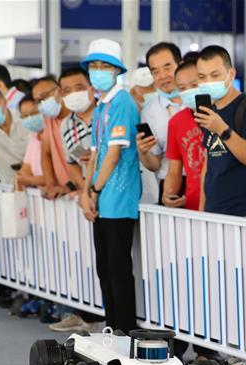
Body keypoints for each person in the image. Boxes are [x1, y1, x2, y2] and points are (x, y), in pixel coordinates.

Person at [79, 39, 141, 333]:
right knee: (104, 267)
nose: (98, 71)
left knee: (118, 269)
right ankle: (111, 326)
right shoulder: (101, 105)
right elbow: (94, 153)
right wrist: (85, 192)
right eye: (93, 66)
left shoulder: (123, 102)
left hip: (118, 197)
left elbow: (114, 153)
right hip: (101, 198)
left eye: (104, 66)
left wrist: (95, 190)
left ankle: (125, 330)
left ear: (117, 70)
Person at [195, 45, 246, 219]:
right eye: (202, 77)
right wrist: (202, 209)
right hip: (213, 211)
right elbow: (209, 164)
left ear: (231, 74)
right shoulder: (209, 110)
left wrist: (221, 128)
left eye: (215, 75)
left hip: (245, 212)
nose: (208, 82)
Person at [136, 42, 183, 202]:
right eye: (155, 72)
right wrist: (143, 153)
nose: (162, 76)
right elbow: (154, 164)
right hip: (170, 184)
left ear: (180, 65)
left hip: (205, 181)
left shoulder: (196, 101)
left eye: (167, 67)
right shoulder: (149, 111)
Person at [163, 60, 204, 211]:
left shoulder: (222, 115)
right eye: (182, 88)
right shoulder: (176, 122)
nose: (189, 91)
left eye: (194, 85)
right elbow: (174, 170)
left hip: (224, 207)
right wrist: (169, 194)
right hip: (191, 205)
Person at [32, 75, 73, 197]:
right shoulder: (48, 119)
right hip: (60, 192)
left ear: (59, 91)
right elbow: (45, 152)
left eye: (44, 96)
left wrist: (70, 186)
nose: (42, 103)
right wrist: (49, 183)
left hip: (81, 188)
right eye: (38, 101)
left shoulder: (77, 115)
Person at [58, 67, 97, 190]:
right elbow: (72, 163)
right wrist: (86, 191)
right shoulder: (65, 125)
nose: (73, 94)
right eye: (67, 91)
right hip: (93, 194)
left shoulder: (109, 113)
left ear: (92, 88)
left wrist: (98, 158)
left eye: (79, 88)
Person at [15, 96, 46, 190]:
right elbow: (26, 167)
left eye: (34, 113)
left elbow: (57, 177)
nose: (29, 118)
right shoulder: (34, 136)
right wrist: (20, 177)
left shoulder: (55, 135)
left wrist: (29, 180)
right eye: (24, 115)